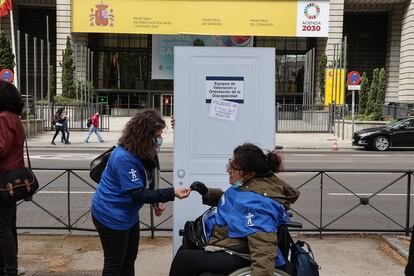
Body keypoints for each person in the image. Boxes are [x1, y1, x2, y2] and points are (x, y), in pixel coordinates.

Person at [169, 143, 300, 276]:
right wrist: (207, 193)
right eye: (229, 164)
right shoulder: (250, 184)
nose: (228, 170)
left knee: (183, 260)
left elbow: (263, 249)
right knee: (187, 248)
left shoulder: (258, 204)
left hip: (240, 250)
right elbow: (235, 202)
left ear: (249, 173)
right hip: (227, 239)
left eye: (233, 168)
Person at [91, 109, 191, 275]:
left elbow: (150, 172)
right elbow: (138, 194)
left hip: (128, 214)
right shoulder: (124, 157)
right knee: (114, 264)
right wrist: (171, 193)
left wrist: (156, 201)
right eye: (157, 136)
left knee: (129, 259)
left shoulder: (143, 149)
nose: (160, 140)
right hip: (110, 214)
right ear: (144, 135)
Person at [0, 80, 25, 276]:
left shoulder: (3, 118)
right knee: (8, 224)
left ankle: (9, 269)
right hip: (12, 179)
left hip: (3, 179)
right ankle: (10, 266)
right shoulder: (14, 117)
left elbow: (1, 148)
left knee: (2, 228)